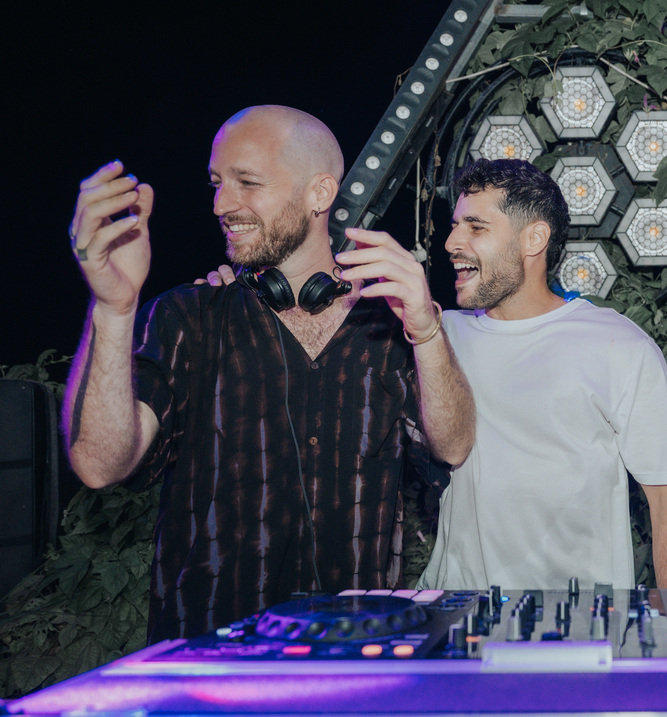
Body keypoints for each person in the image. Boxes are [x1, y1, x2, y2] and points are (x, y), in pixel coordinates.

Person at [64, 105, 475, 642]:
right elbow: (98, 465)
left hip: (354, 650)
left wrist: (425, 328)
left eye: (248, 182)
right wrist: (114, 308)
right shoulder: (188, 317)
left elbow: (453, 447)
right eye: (216, 183)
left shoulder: (390, 324)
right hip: (212, 659)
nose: (221, 204)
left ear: (319, 194)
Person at [389, 158, 667, 591]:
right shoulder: (438, 337)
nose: (452, 242)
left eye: (476, 227)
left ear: (534, 239)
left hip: (580, 615)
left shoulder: (617, 344)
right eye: (456, 225)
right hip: (458, 607)